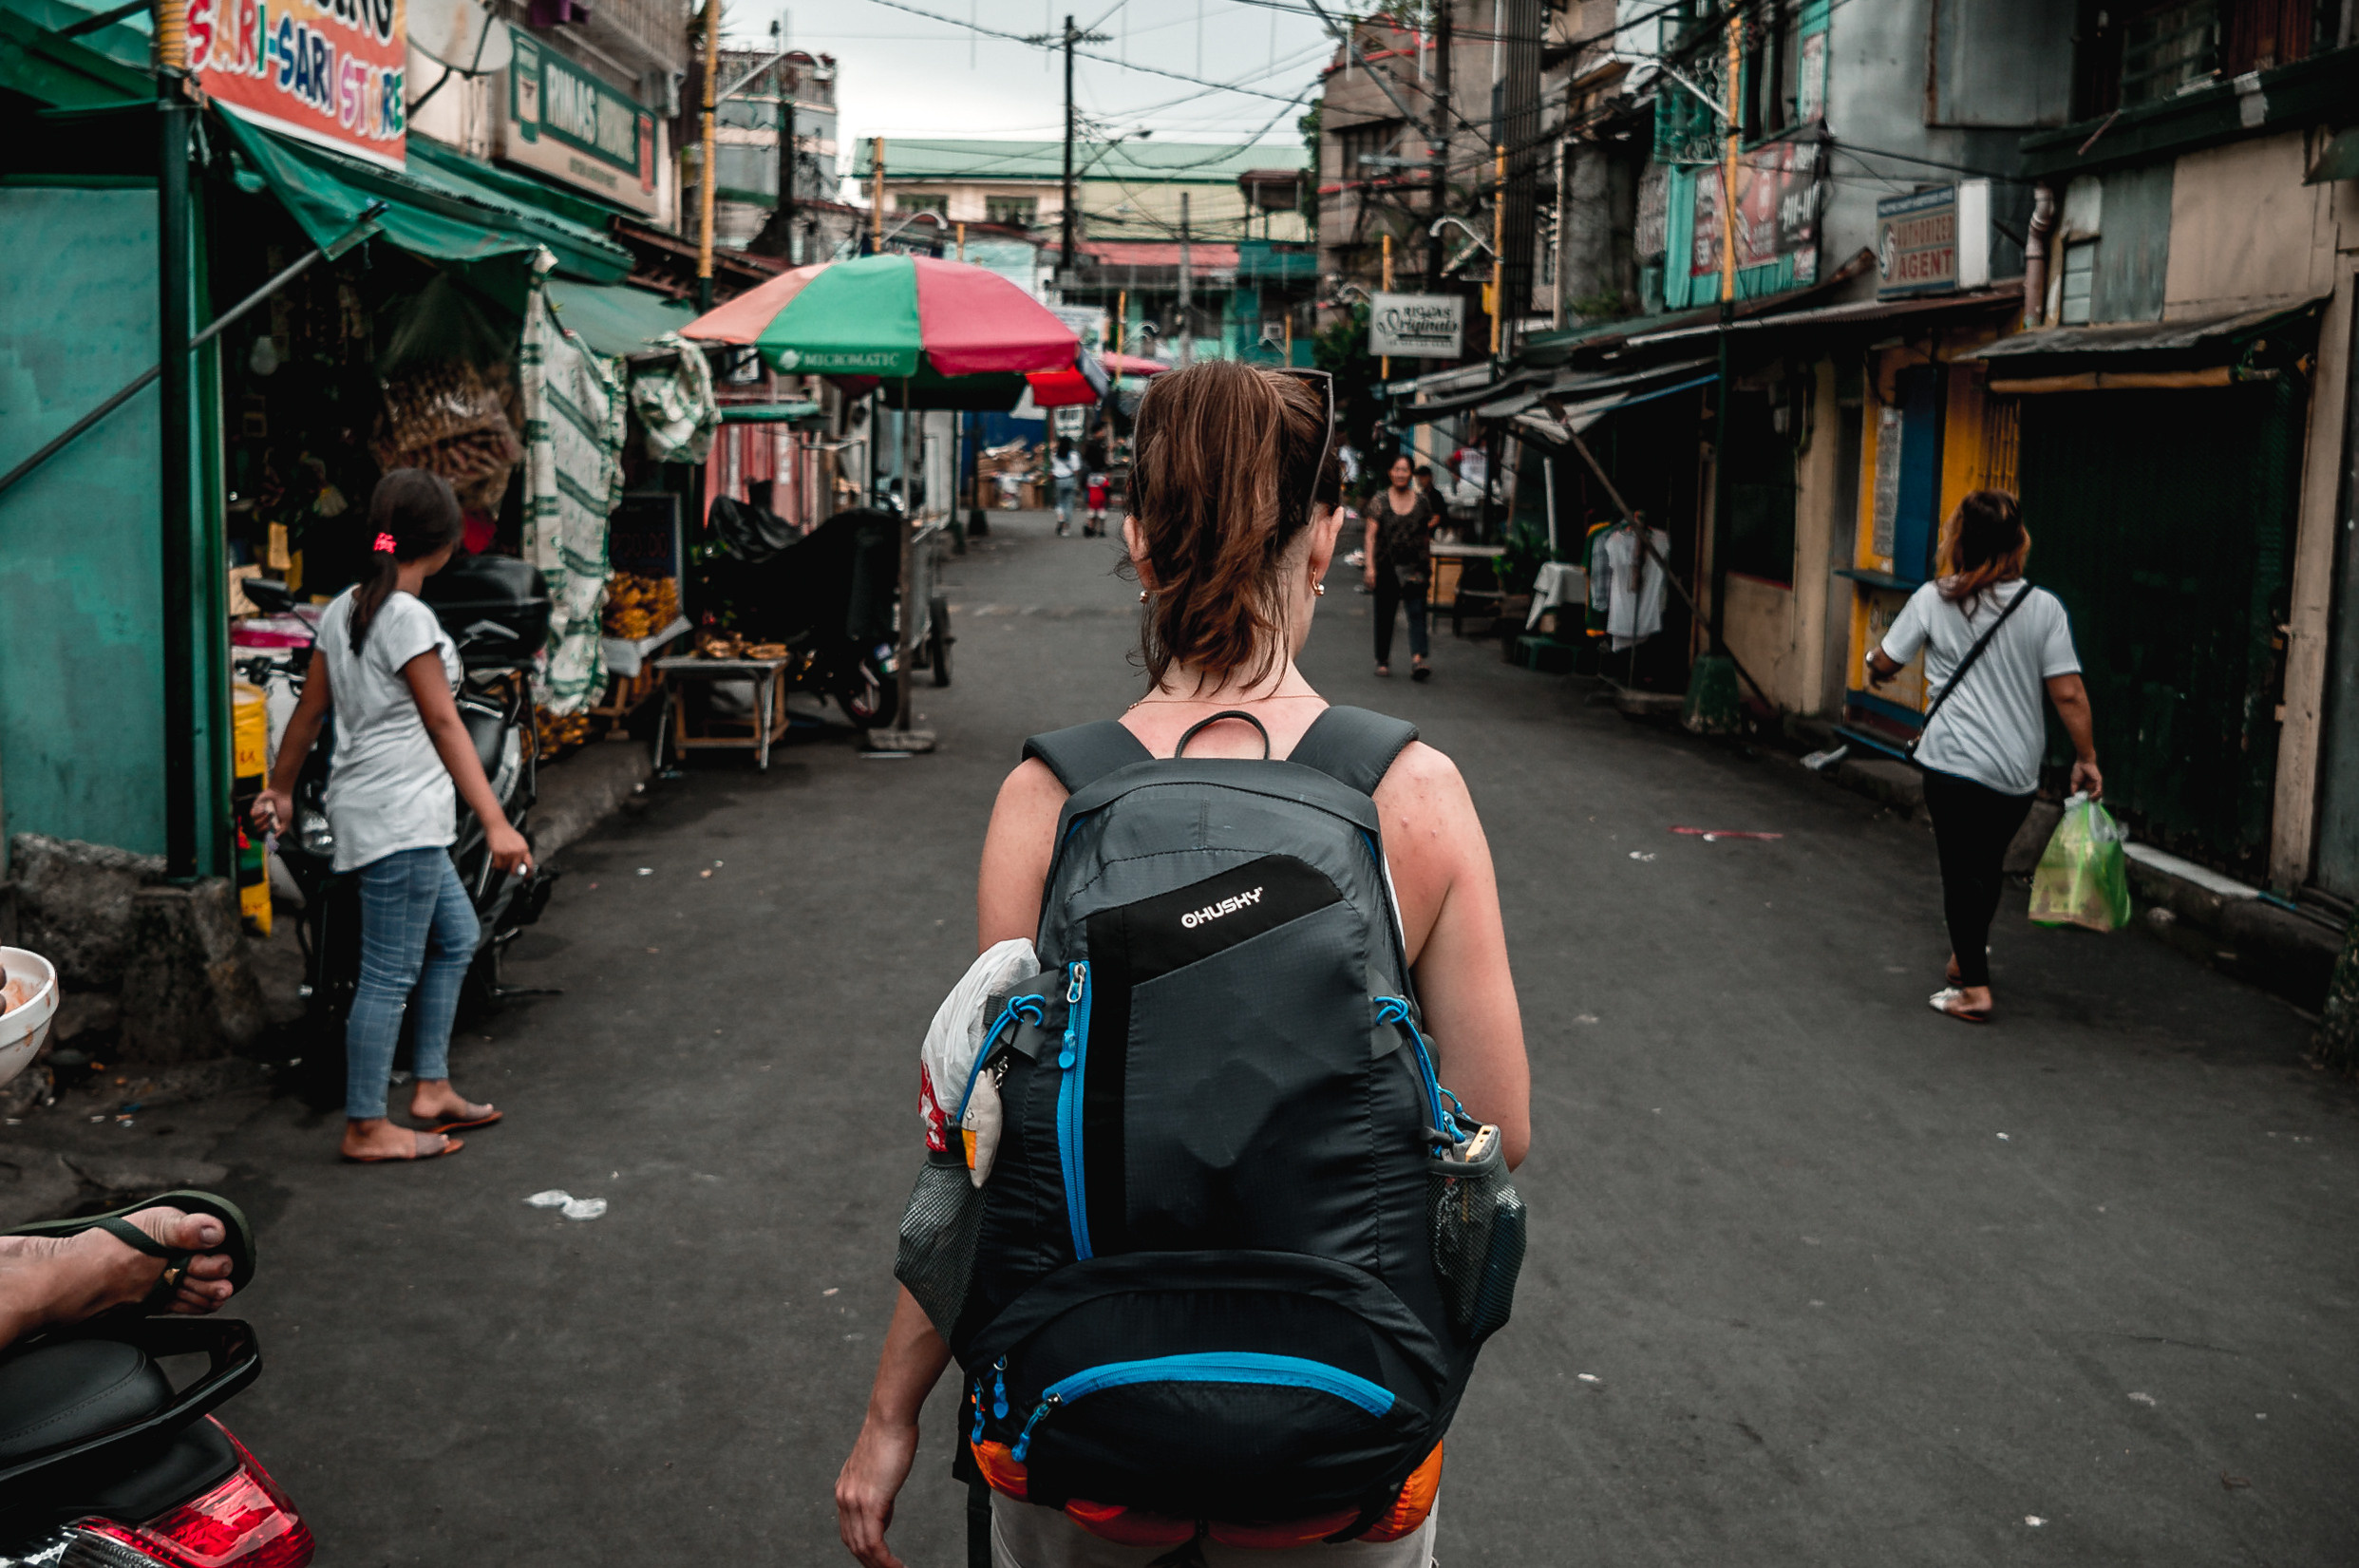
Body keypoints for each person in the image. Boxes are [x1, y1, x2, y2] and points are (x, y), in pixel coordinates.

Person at [836, 360, 1530, 1568]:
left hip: (1081, 1420)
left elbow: (980, 1148)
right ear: (1324, 540)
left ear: (1138, 541)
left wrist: (889, 1416)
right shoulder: (1412, 795)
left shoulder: (1048, 799)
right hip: (1339, 1437)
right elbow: (1498, 1132)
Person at [253, 469, 529, 1161]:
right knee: (388, 971)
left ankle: (431, 1085)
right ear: (443, 543)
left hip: (382, 810)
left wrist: (282, 790)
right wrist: (495, 821)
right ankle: (366, 1123)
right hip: (397, 816)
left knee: (456, 934)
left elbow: (312, 713)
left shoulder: (347, 605)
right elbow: (444, 720)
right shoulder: (406, 616)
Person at [1867, 489, 2101, 1024]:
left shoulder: (1933, 598)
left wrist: (1871, 662)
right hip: (2016, 773)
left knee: (1960, 870)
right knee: (1986, 863)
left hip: (1952, 763)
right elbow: (2069, 694)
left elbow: (1885, 663)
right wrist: (2086, 757)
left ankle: (1973, 990)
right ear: (2019, 543)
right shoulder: (2043, 608)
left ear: (1958, 541)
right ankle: (1962, 959)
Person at [1362, 453, 1438, 680]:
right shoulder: (1380, 501)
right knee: (1385, 614)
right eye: (1397, 469)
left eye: (1405, 470)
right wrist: (1370, 567)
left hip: (1415, 566)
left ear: (1411, 473)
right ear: (1390, 473)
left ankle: (1418, 659)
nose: (1401, 474)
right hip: (1386, 566)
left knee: (1417, 613)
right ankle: (1382, 660)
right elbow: (1370, 536)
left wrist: (1427, 564)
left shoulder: (1422, 502)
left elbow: (1426, 534)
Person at [1081, 426, 1111, 538]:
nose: (1103, 433)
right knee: (1102, 504)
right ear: (1096, 432)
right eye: (1101, 431)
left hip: (1091, 477)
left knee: (1092, 506)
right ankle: (1099, 528)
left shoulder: (1091, 445)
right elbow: (1101, 462)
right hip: (1099, 474)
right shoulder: (1096, 446)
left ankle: (1091, 526)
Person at [1049, 438, 1082, 537]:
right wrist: (1077, 483)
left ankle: (1060, 517)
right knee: (1069, 503)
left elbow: (1052, 468)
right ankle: (1065, 528)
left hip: (1059, 480)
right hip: (1070, 479)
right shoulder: (1074, 455)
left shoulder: (1055, 455)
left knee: (1059, 502)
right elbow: (1076, 470)